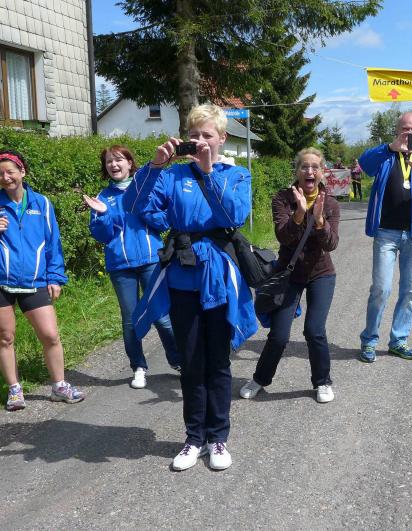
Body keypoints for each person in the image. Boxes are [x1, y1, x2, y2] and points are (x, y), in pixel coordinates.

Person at [126, 104, 256, 472]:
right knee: (191, 361)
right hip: (183, 277)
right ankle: (194, 437)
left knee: (218, 361)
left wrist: (208, 172)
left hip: (219, 277)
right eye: (194, 134)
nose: (199, 141)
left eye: (207, 135)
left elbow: (233, 216)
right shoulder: (171, 175)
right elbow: (135, 206)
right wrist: (153, 167)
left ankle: (218, 437)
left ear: (222, 139)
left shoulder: (237, 175)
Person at [0, 150, 84, 411]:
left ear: (22, 172)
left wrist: (55, 277)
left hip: (34, 281)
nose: (5, 177)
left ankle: (59, 386)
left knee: (50, 335)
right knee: (5, 338)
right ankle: (15, 390)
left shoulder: (42, 203)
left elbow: (53, 243)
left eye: (10, 171)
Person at [239, 148, 341, 403]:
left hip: (321, 273)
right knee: (279, 335)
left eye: (315, 167)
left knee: (314, 331)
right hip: (289, 274)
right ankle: (260, 379)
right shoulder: (283, 198)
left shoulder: (330, 203)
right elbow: (283, 237)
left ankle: (322, 381)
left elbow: (331, 244)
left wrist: (320, 221)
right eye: (304, 166)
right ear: (297, 171)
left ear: (322, 172)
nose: (310, 171)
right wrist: (299, 213)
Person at [83, 145, 180, 390]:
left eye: (118, 160)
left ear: (129, 163)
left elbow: (164, 222)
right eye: (109, 161)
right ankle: (138, 367)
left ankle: (178, 361)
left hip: (150, 260)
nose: (113, 165)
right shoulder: (102, 197)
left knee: (161, 316)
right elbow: (102, 235)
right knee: (130, 319)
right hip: (120, 265)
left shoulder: (146, 188)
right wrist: (103, 214)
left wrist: (143, 209)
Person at [357, 112, 412, 362]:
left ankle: (398, 340)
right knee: (381, 289)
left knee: (409, 290)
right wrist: (389, 147)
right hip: (386, 233)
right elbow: (364, 165)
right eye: (406, 129)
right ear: (397, 130)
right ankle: (369, 340)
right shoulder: (385, 155)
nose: (410, 133)